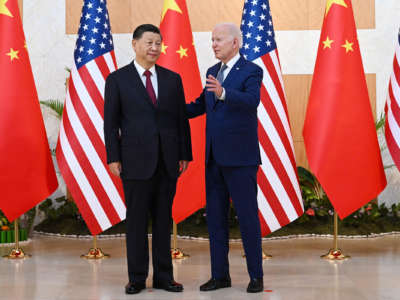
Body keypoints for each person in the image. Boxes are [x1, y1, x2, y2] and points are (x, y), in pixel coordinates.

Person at [104, 24, 192, 295]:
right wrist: (113, 157)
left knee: (164, 221)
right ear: (134, 44)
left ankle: (165, 277)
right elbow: (110, 123)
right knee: (137, 222)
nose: (154, 48)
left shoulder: (172, 79)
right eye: (149, 43)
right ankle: (137, 277)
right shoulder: (117, 79)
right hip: (134, 162)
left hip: (168, 162)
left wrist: (184, 154)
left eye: (158, 43)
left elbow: (181, 121)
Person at [186, 23, 264, 293]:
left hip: (241, 159)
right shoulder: (212, 72)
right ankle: (220, 276)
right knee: (216, 220)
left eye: (219, 40)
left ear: (235, 43)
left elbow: (251, 101)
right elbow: (200, 104)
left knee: (247, 218)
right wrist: (169, 109)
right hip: (214, 159)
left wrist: (224, 93)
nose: (214, 44)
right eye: (212, 40)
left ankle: (256, 277)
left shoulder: (251, 70)